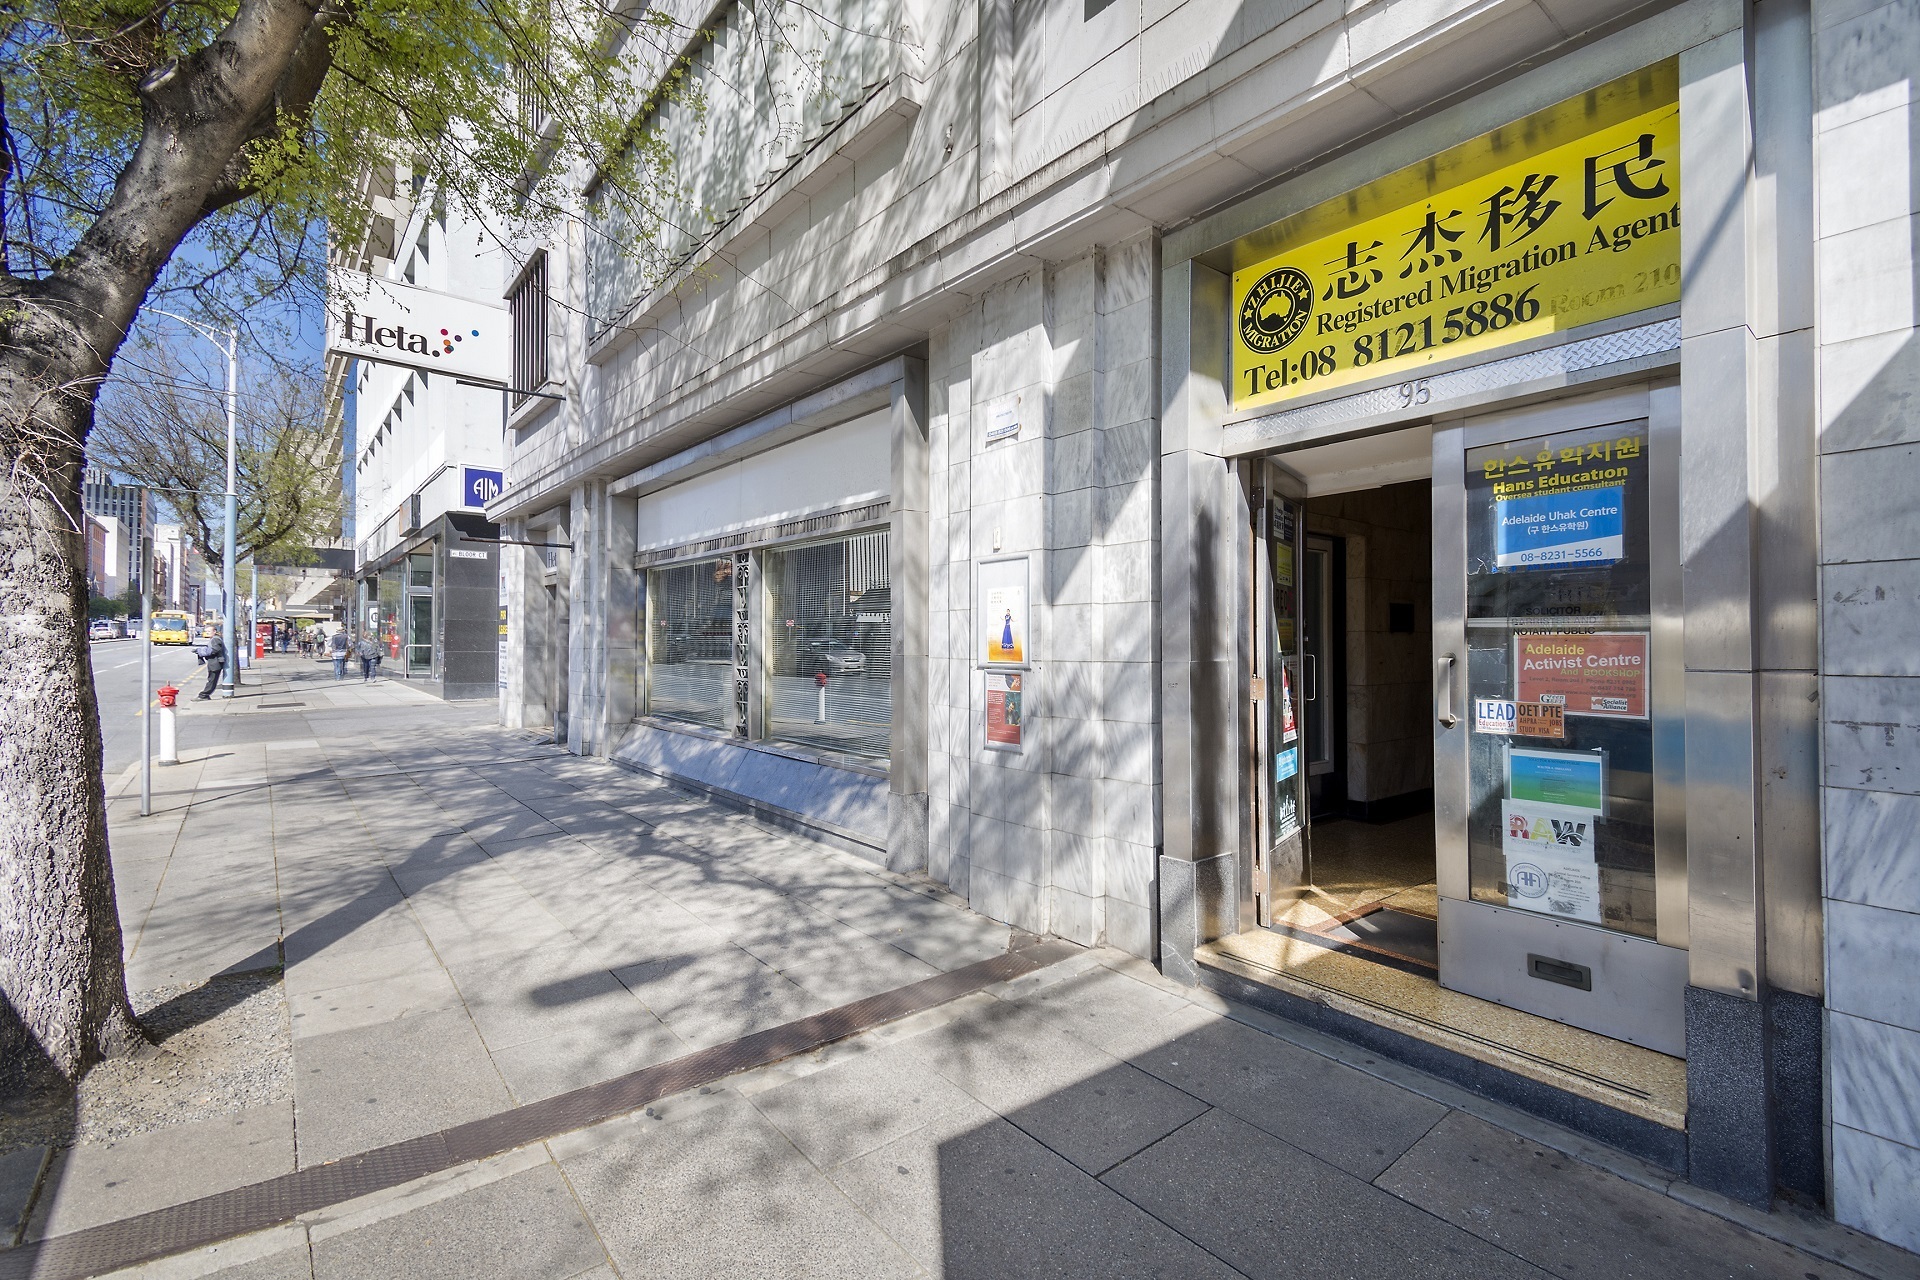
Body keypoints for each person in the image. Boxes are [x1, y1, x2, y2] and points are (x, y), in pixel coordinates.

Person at [192, 627, 226, 700]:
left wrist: (202, 651)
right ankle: (205, 695)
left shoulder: (215, 639)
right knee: (211, 680)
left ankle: (204, 695)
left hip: (215, 663)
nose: (207, 632)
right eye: (206, 631)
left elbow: (214, 650)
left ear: (214, 631)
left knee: (212, 680)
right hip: (214, 662)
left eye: (209, 631)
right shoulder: (214, 639)